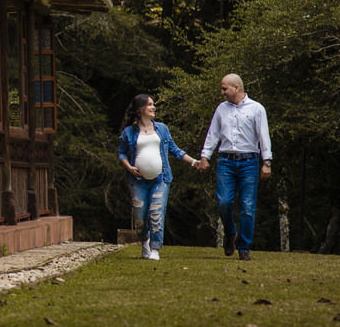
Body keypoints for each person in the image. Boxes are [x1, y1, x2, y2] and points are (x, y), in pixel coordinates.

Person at [195, 74, 272, 261]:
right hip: (226, 161)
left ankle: (244, 247)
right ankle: (230, 233)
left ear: (236, 88)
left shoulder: (256, 109)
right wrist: (205, 156)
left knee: (247, 206)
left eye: (224, 89)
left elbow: (263, 135)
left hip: (249, 161)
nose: (222, 92)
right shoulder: (221, 109)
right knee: (223, 203)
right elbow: (213, 134)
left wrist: (267, 161)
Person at [117, 94, 199, 261]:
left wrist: (194, 162)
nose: (153, 108)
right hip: (137, 180)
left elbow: (175, 150)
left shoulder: (162, 128)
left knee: (156, 213)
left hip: (160, 179)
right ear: (140, 109)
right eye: (150, 105)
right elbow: (121, 153)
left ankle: (155, 248)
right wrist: (129, 167)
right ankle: (144, 240)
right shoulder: (129, 132)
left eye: (153, 104)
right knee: (139, 215)